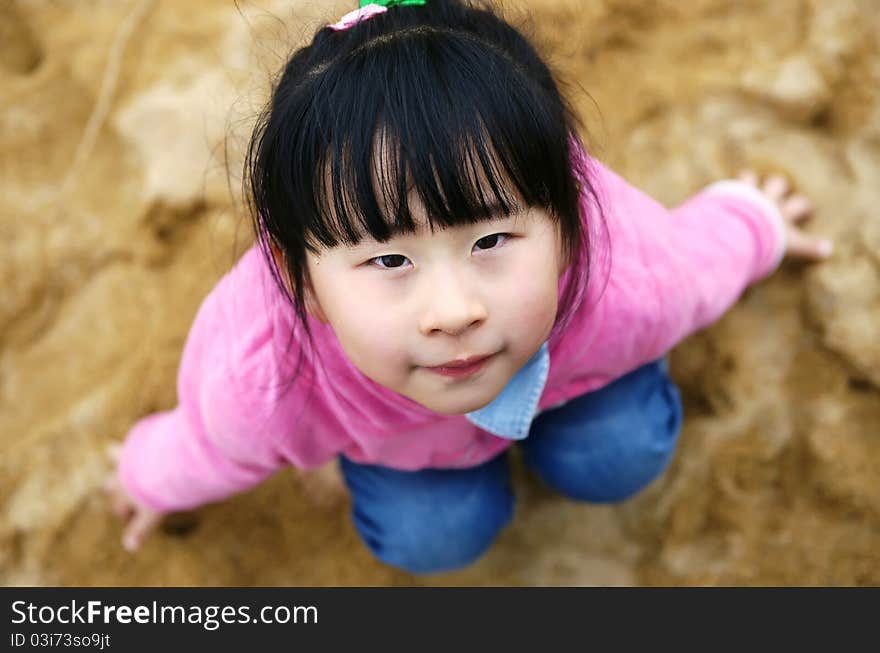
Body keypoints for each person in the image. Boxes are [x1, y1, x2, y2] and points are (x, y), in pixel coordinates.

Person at [103, 0, 832, 575]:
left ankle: (577, 431)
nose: (454, 312)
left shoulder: (626, 277)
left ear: (568, 227)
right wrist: (149, 478)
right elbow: (212, 441)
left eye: (490, 241)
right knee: (438, 535)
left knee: (620, 452)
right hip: (404, 451)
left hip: (577, 378)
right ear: (304, 281)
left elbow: (699, 266)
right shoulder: (267, 375)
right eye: (390, 261)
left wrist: (755, 221)